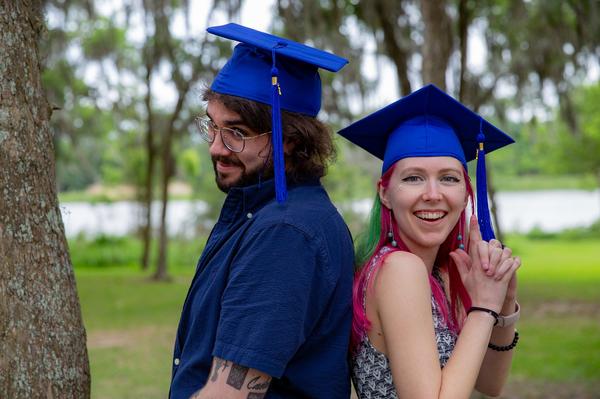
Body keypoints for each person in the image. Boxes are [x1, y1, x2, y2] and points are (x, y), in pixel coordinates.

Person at [169, 23, 354, 399]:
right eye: (213, 127)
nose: (216, 148)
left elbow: (230, 393)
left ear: (289, 139)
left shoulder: (286, 232)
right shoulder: (261, 213)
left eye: (236, 132)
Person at [338, 84, 522, 399]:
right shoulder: (400, 269)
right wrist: (483, 308)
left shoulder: (438, 273)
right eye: (413, 178)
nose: (433, 195)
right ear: (385, 192)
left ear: (466, 193)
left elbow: (490, 384)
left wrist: (502, 304)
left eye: (449, 178)